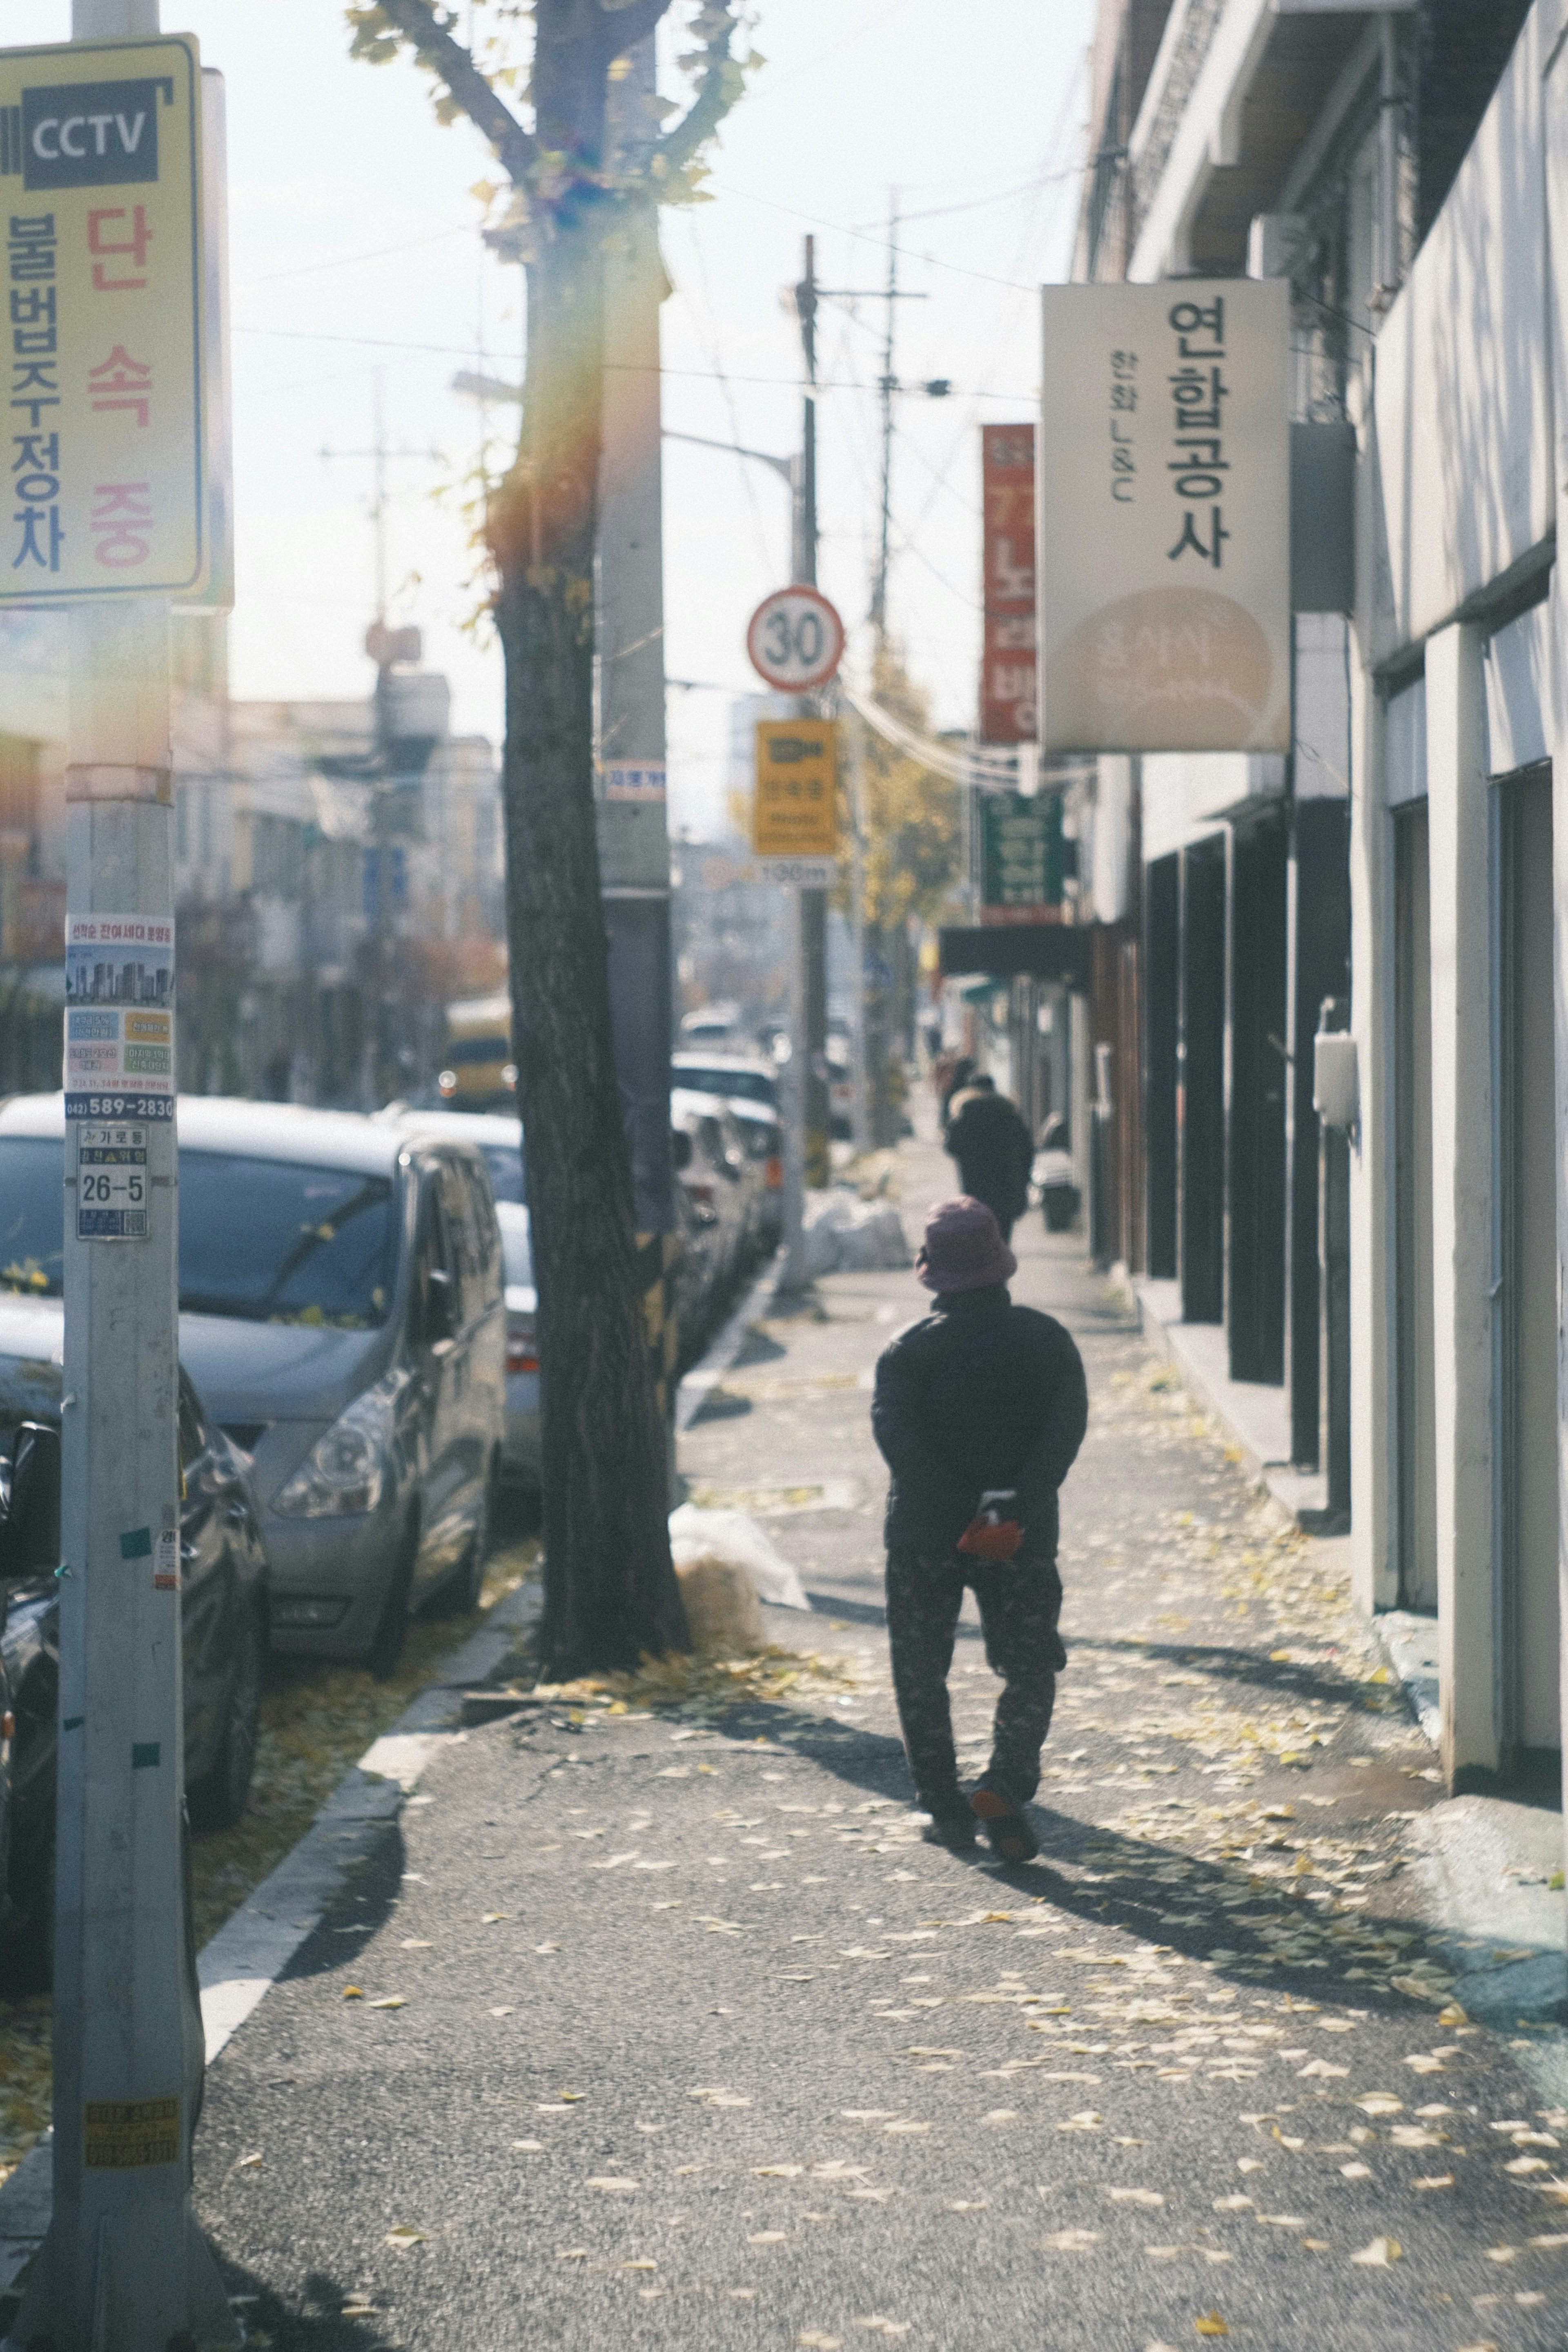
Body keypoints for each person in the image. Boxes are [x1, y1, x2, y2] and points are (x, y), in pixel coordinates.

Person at [871, 1196, 1087, 1862]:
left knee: (921, 1669)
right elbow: (1064, 1431)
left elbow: (897, 1440)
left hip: (925, 1535)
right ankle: (1005, 1780)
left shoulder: (908, 1353)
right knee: (1028, 1662)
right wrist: (1009, 1503)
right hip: (1019, 1533)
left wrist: (960, 1503)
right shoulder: (1047, 1340)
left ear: (929, 1270)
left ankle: (944, 1804)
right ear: (1000, 1264)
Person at [943, 1072, 1033, 1243]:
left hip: (975, 1186)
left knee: (979, 1237)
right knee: (1003, 1237)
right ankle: (1001, 1267)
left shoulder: (965, 1115)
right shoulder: (1010, 1115)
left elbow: (950, 1147)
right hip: (1006, 1187)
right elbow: (1027, 1150)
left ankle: (983, 1267)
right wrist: (1024, 1180)